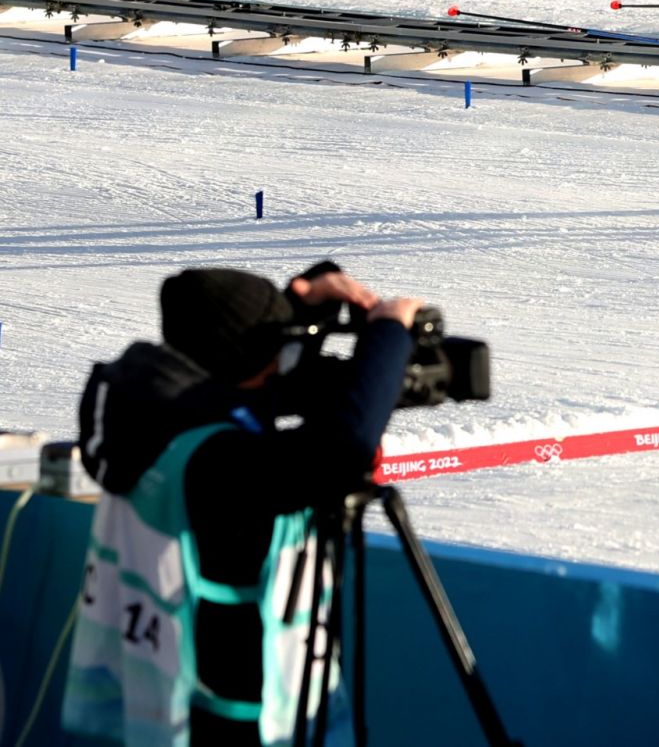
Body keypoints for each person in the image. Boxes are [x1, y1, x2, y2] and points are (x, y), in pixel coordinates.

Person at [62, 262, 422, 747]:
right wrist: (388, 336)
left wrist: (297, 305)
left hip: (169, 691)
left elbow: (245, 396)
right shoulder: (219, 463)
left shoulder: (148, 411)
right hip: (237, 713)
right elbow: (343, 449)